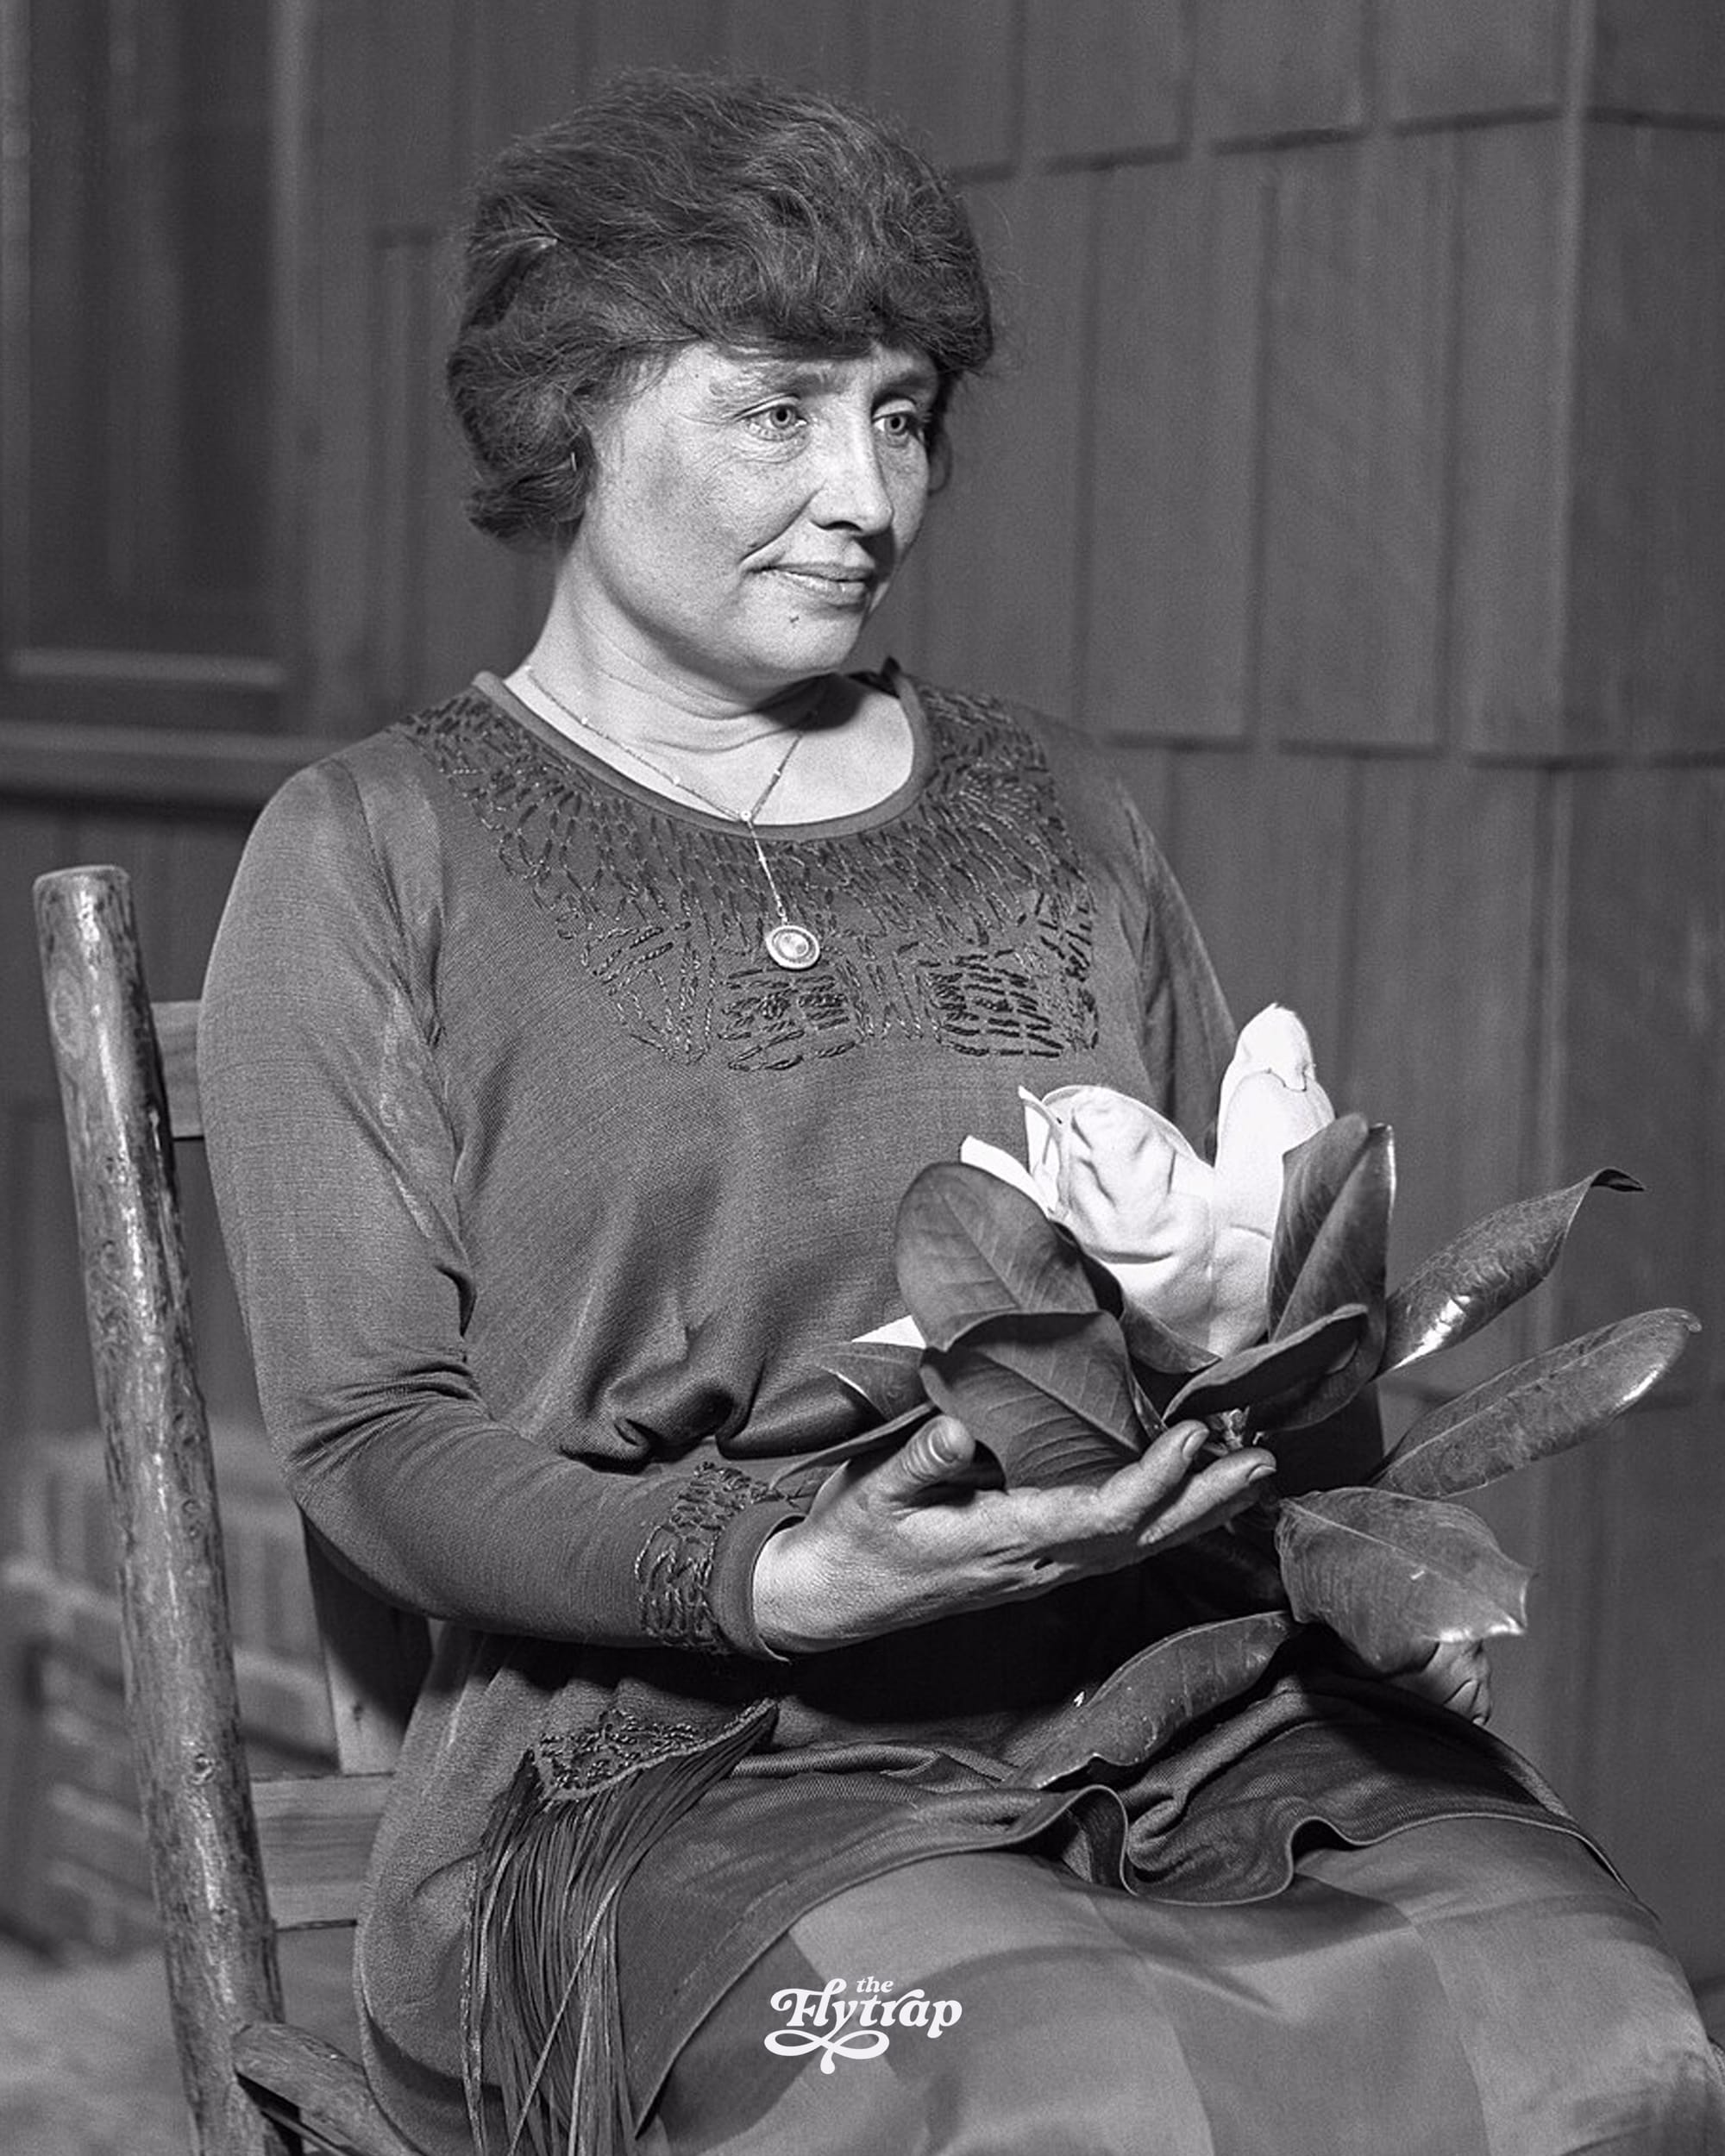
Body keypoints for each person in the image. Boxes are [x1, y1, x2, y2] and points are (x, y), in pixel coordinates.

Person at [200, 69, 1724, 2156]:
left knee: (1598, 2034)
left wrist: (1319, 1460)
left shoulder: (1050, 806)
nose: (866, 494)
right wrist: (776, 1576)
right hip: (681, 1764)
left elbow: (1248, 1294)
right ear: (570, 413)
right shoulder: (380, 848)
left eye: (902, 414)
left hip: (1178, 1695)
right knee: (1040, 2090)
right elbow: (375, 1441)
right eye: (780, 408)